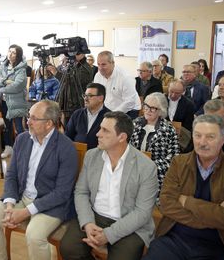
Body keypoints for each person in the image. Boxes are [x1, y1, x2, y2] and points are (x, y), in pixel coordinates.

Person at [143, 115, 224, 260]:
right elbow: (166, 204)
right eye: (197, 135)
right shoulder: (178, 163)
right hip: (174, 238)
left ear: (222, 140)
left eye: (210, 137)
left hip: (217, 245)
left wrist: (187, 202)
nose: (202, 142)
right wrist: (217, 211)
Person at [0, 100, 78, 260]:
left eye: (33, 118)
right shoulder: (22, 139)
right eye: (28, 116)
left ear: (49, 124)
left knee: (34, 236)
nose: (28, 122)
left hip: (50, 205)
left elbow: (62, 193)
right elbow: (11, 174)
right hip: (21, 196)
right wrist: (10, 205)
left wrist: (25, 212)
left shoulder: (66, 147)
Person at [60, 111, 158, 260]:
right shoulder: (92, 156)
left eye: (105, 130)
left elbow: (142, 212)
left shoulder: (146, 167)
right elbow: (81, 192)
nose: (98, 134)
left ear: (122, 137)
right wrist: (87, 223)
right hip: (95, 215)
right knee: (68, 248)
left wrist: (108, 234)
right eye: (100, 128)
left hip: (128, 222)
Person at [130, 92, 179, 193]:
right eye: (146, 106)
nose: (148, 110)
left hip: (156, 176)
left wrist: (150, 167)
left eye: (153, 108)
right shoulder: (134, 124)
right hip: (131, 172)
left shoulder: (168, 130)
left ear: (161, 110)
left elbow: (174, 159)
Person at [0, 44, 29, 159]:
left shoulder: (21, 68)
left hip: (16, 101)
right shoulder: (3, 66)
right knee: (7, 126)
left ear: (18, 55)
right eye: (9, 51)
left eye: (13, 52)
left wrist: (3, 87)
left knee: (19, 127)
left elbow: (17, 86)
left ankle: (23, 149)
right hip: (4, 101)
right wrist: (7, 81)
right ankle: (9, 147)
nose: (10, 54)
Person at [48, 50, 93, 123]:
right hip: (67, 103)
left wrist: (56, 73)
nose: (72, 55)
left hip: (77, 104)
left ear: (82, 54)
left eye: (75, 52)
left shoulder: (85, 68)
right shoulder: (72, 65)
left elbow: (71, 81)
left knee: (73, 127)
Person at [93, 51, 141, 119]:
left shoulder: (125, 77)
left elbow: (130, 102)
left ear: (112, 63)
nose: (100, 68)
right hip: (110, 108)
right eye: (98, 64)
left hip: (130, 110)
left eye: (103, 64)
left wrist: (112, 115)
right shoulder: (98, 76)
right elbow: (97, 94)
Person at [65, 83, 111, 150]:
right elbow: (67, 137)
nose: (85, 99)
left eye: (90, 96)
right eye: (85, 95)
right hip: (77, 155)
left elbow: (111, 141)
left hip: (99, 156)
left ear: (101, 98)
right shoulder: (77, 114)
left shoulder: (109, 117)